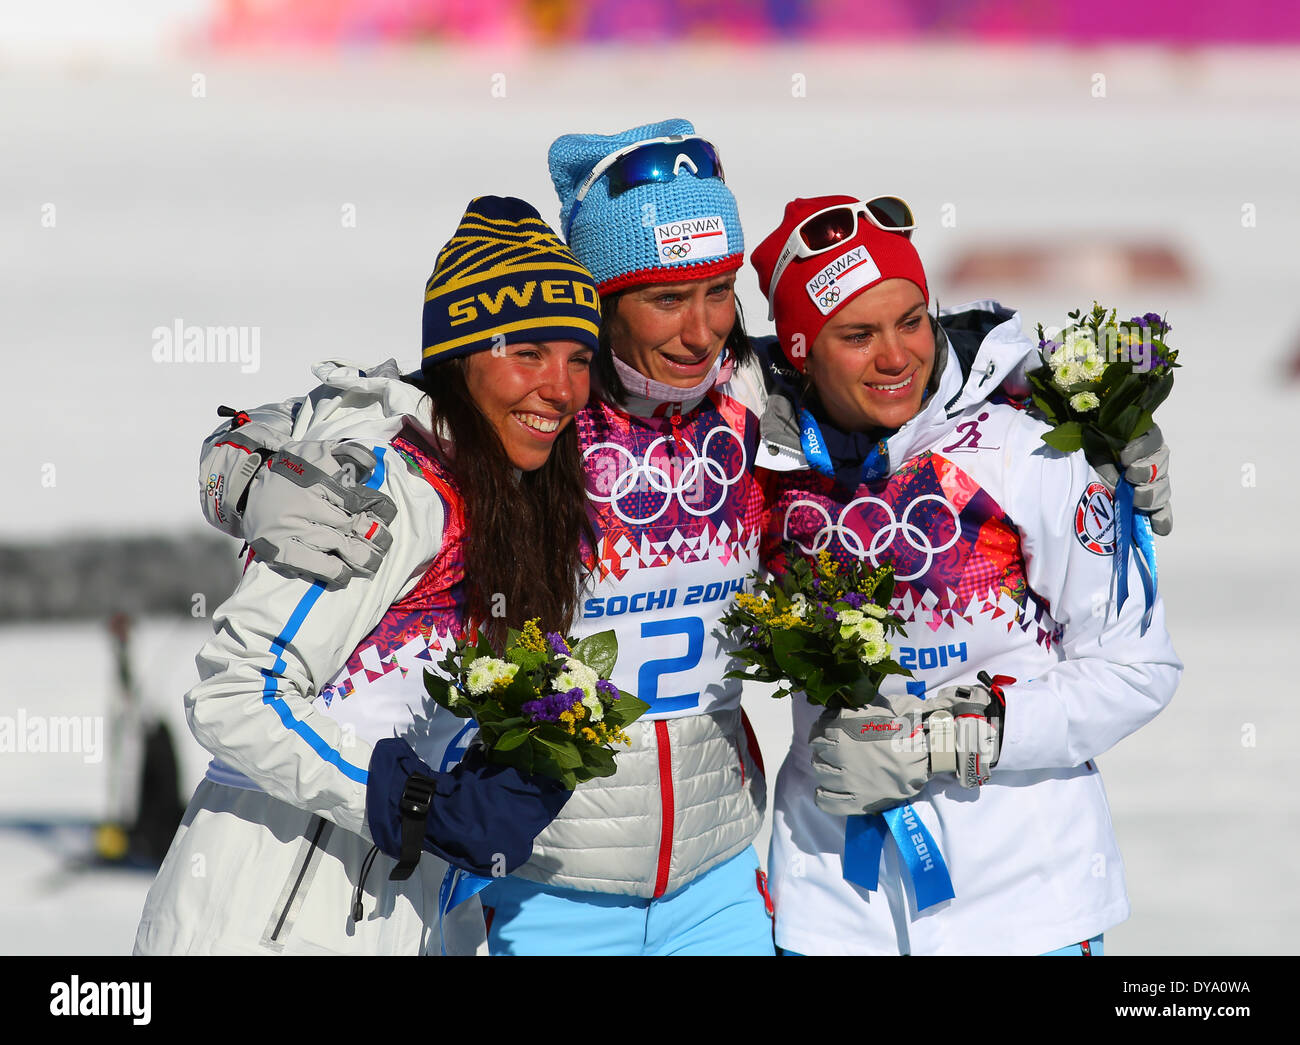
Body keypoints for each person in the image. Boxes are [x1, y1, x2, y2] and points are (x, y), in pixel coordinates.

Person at [194, 130, 1175, 956]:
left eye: (718, 293)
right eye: (665, 297)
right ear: (600, 300)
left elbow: (903, 354)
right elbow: (368, 415)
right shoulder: (535, 414)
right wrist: (241, 468)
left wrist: (1087, 415)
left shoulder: (751, 399)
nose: (702, 329)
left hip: (718, 880)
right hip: (547, 881)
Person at [134, 197, 592, 955]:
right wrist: (412, 801)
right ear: (460, 353)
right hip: (260, 916)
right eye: (529, 353)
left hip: (397, 913)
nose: (562, 389)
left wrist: (514, 763)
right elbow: (236, 692)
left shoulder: (515, 500)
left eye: (577, 357)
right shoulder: (385, 491)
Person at [749, 195, 1183, 955]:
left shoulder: (1029, 449)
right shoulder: (763, 462)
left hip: (1027, 902)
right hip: (831, 905)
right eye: (857, 335)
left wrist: (954, 739)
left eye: (912, 320)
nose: (896, 357)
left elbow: (1136, 669)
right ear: (798, 348)